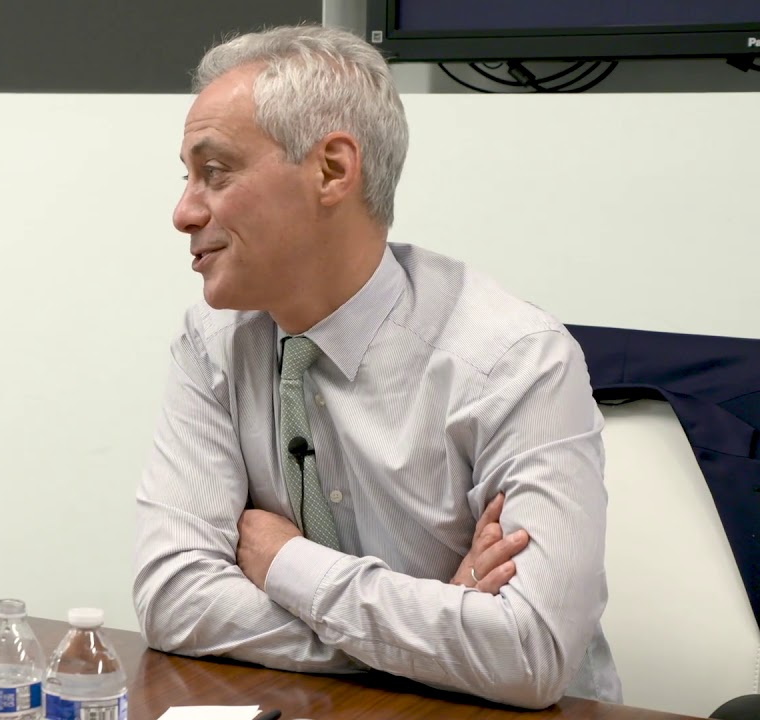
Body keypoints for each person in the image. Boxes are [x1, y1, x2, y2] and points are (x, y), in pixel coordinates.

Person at [132, 25, 619, 709]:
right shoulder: (211, 341)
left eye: (215, 172)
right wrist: (437, 628)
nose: (183, 212)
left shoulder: (513, 359)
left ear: (333, 170)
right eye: (186, 177)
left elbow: (528, 653)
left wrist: (286, 563)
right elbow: (174, 598)